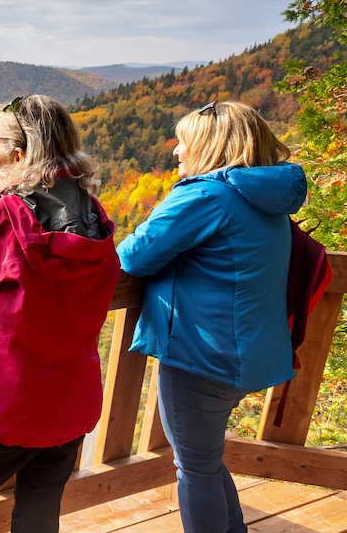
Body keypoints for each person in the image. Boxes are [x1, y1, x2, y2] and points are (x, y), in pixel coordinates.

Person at [0, 94, 121, 533]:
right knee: (40, 503)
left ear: (18, 155)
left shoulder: (3, 219)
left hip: (10, 401)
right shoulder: (95, 219)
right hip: (72, 397)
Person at [117, 100, 304, 533]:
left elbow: (132, 256)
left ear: (209, 146)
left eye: (183, 142)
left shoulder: (206, 195)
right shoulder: (261, 197)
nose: (176, 151)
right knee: (203, 459)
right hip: (252, 353)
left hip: (204, 356)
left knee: (194, 470)